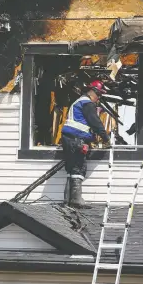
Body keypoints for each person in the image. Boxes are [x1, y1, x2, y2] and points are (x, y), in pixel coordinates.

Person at [61, 80, 110, 208]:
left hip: (69, 139)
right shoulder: (87, 104)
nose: (98, 98)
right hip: (77, 140)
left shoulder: (78, 102)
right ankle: (76, 200)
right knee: (79, 167)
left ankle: (67, 201)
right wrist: (105, 138)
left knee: (71, 169)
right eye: (99, 95)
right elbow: (95, 122)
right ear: (93, 92)